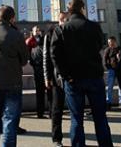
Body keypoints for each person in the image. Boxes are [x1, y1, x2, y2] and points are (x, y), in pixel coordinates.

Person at [51, 0, 113, 147]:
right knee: (100, 118)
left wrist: (65, 75)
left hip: (73, 80)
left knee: (76, 119)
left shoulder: (61, 29)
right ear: (82, 9)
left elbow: (55, 55)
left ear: (69, 11)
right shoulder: (94, 26)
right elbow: (100, 45)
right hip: (94, 77)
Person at [0, 5, 29, 147]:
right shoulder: (16, 35)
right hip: (12, 83)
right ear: (12, 18)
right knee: (9, 122)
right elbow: (24, 60)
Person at [43, 11, 68, 147]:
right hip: (56, 77)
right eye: (61, 19)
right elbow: (46, 57)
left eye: (66, 19)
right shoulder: (51, 33)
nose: (63, 21)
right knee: (56, 108)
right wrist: (47, 77)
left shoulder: (72, 32)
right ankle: (56, 138)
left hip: (70, 76)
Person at [103, 36, 121, 111]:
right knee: (110, 87)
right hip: (112, 70)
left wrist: (119, 57)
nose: (109, 44)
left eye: (110, 42)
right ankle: (108, 103)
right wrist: (108, 67)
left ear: (114, 41)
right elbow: (105, 60)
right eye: (108, 42)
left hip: (120, 70)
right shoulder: (107, 50)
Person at [28, 25, 47, 118]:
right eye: (36, 31)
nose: (38, 32)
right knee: (41, 92)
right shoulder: (30, 42)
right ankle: (42, 112)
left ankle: (41, 112)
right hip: (39, 69)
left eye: (39, 30)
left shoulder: (40, 42)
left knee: (41, 92)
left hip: (39, 69)